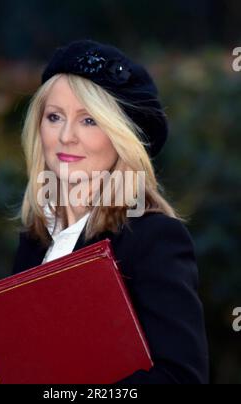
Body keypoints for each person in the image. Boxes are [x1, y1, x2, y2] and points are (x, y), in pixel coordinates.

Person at [11, 39, 210, 384]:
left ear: (121, 137)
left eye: (89, 120)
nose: (66, 136)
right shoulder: (35, 240)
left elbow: (182, 377)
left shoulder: (154, 238)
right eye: (54, 117)